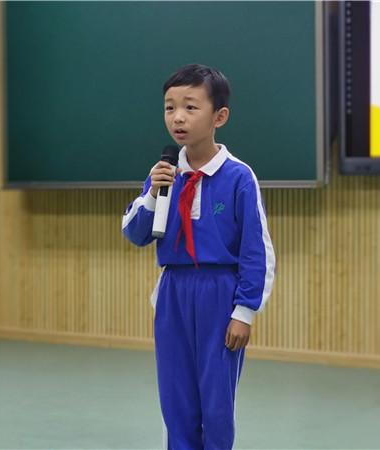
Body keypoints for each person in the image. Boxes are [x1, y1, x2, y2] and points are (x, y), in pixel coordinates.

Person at [121, 63, 275, 450]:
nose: (178, 117)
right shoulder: (163, 174)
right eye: (170, 107)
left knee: (216, 402)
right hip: (174, 291)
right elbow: (135, 233)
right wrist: (153, 194)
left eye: (190, 107)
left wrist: (244, 312)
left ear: (219, 116)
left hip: (219, 294)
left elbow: (257, 250)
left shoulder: (238, 176)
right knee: (176, 398)